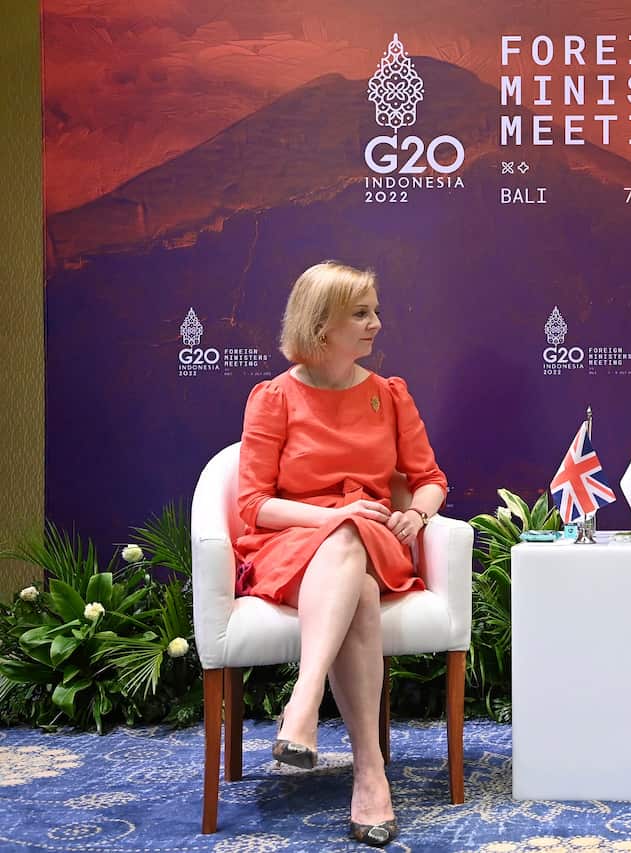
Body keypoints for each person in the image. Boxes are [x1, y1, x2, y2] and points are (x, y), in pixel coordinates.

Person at [234, 261, 448, 848]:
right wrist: (332, 516)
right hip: (292, 542)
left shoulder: (388, 395)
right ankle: (371, 777)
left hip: (374, 538)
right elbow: (254, 504)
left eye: (374, 311)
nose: (376, 324)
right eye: (361, 313)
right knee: (352, 569)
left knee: (353, 540)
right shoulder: (274, 397)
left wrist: (419, 512)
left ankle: (302, 710)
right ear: (321, 323)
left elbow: (429, 478)